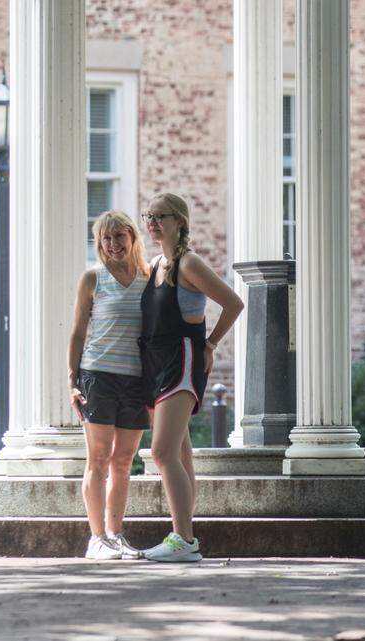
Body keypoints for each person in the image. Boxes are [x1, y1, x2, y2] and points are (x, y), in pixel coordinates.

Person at [138, 193, 244, 562]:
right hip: (156, 365)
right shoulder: (155, 264)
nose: (151, 223)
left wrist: (211, 344)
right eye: (147, 216)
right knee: (180, 454)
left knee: (162, 452)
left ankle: (184, 539)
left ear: (179, 221)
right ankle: (184, 535)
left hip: (181, 362)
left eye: (159, 216)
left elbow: (233, 303)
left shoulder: (188, 263)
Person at [68, 210, 151, 560]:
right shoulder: (92, 279)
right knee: (98, 459)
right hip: (97, 376)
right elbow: (77, 333)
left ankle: (116, 536)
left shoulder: (150, 279)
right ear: (99, 243)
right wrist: (72, 381)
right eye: (106, 238)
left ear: (132, 238)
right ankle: (97, 539)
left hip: (136, 380)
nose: (113, 244)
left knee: (123, 462)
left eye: (120, 237)